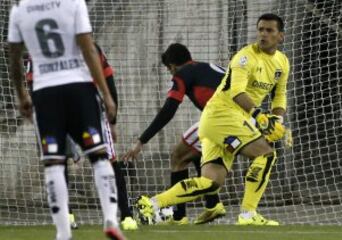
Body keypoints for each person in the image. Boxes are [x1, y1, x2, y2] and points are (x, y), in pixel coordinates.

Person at [134, 13, 289, 226]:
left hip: (223, 120)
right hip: (223, 114)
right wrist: (260, 117)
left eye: (269, 30)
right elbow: (236, 91)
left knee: (210, 183)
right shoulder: (245, 57)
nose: (263, 34)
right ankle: (248, 214)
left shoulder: (282, 62)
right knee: (266, 154)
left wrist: (277, 121)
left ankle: (151, 203)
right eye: (260, 29)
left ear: (281, 36)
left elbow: (279, 95)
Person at [8, 0, 126, 239]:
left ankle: (63, 233)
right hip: (79, 89)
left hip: (45, 92)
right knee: (99, 156)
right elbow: (88, 49)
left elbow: (13, 56)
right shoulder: (73, 3)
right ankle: (111, 219)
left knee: (53, 163)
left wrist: (21, 96)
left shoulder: (19, 10)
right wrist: (106, 96)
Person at [25, 43, 138, 231]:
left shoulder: (86, 47)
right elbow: (31, 82)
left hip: (82, 112)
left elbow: (108, 80)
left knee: (103, 160)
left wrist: (113, 120)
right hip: (70, 112)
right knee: (70, 161)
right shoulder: (42, 49)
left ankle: (123, 215)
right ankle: (71, 215)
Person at [124, 43, 227, 224]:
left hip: (223, 119)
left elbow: (168, 110)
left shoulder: (182, 74)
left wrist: (141, 141)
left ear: (172, 66)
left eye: (169, 70)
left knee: (177, 156)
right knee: (194, 150)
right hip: (246, 117)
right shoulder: (207, 67)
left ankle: (179, 216)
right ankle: (213, 205)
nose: (171, 74)